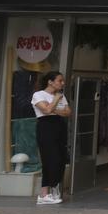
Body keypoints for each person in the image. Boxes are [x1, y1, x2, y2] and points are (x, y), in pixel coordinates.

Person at [32, 71, 71, 205]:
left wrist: (53, 109)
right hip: (46, 127)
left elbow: (67, 112)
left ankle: (54, 188)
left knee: (61, 158)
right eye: (60, 81)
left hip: (59, 126)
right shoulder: (38, 95)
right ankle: (44, 194)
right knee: (49, 158)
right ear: (50, 81)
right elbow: (46, 111)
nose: (62, 83)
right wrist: (55, 101)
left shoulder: (61, 96)